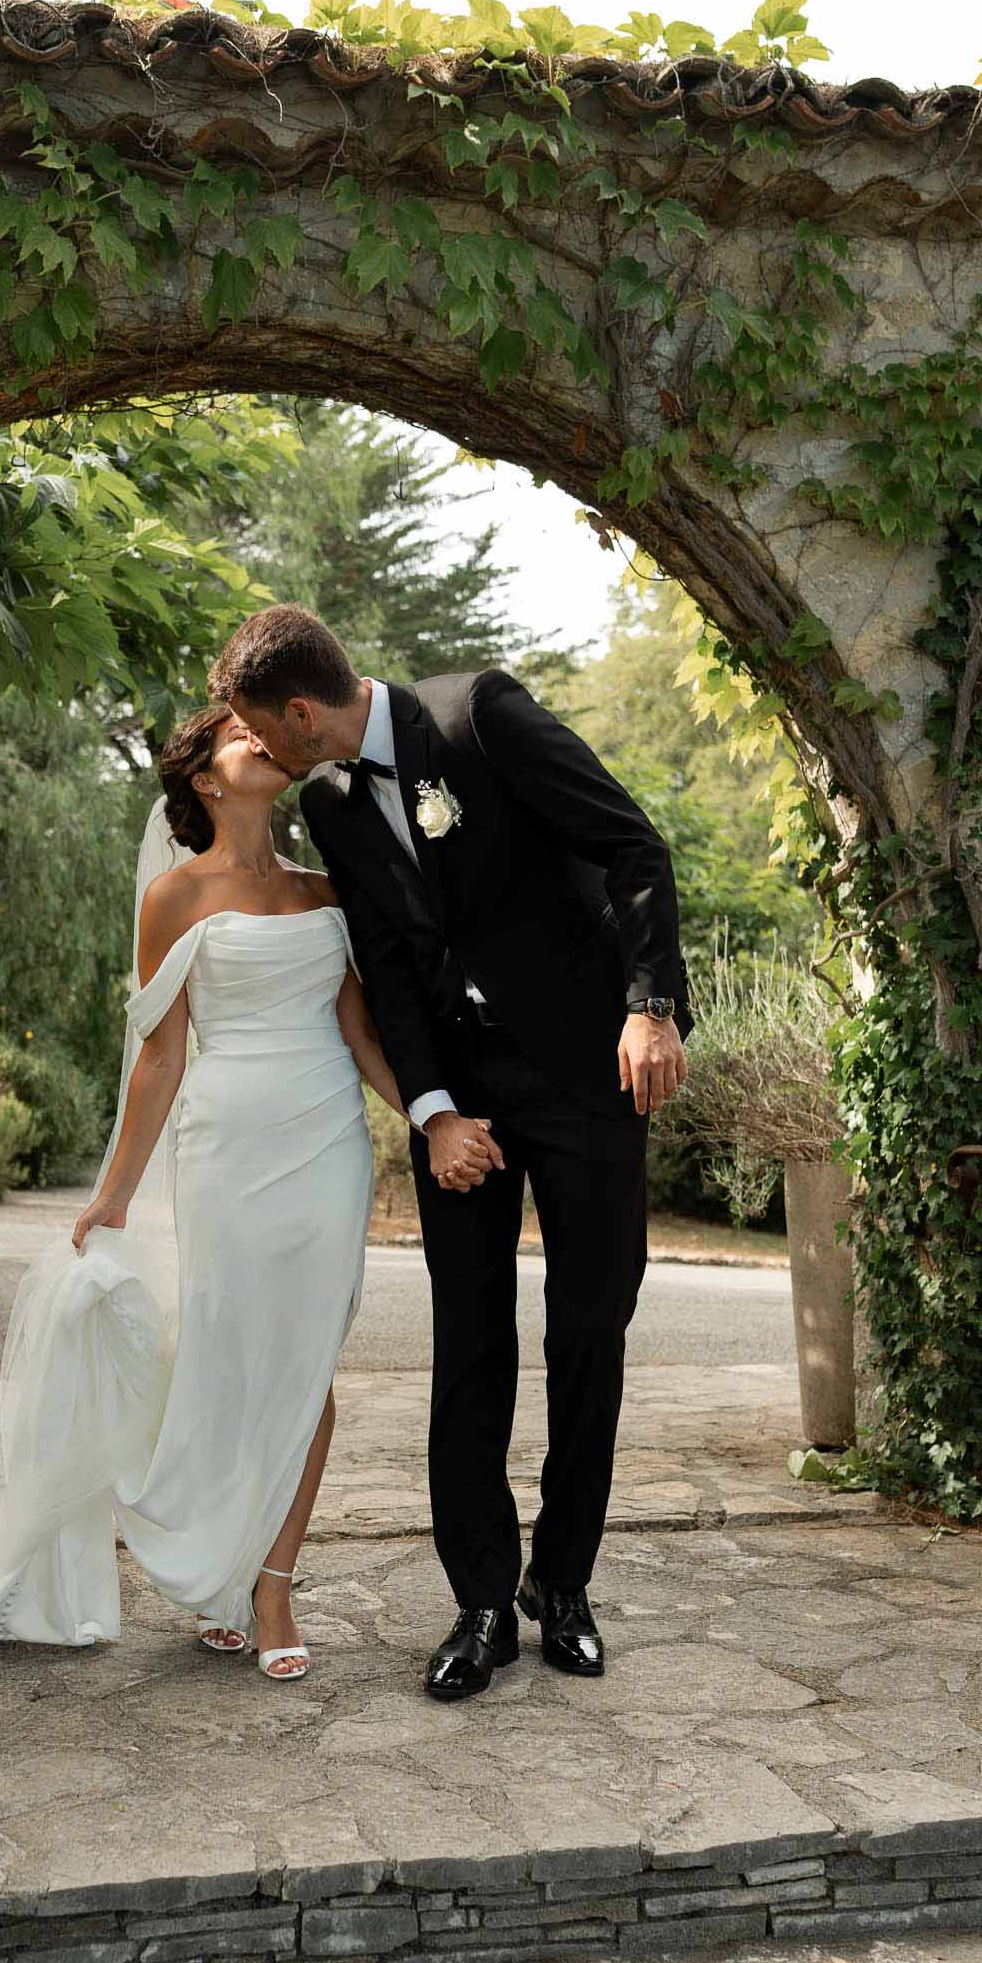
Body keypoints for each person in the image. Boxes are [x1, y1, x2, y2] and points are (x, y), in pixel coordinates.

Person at [0, 705, 493, 1680]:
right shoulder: (173, 898)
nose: (265, 739)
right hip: (226, 1146)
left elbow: (362, 1037)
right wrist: (111, 1195)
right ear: (206, 779)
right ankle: (220, 1565)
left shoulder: (327, 888)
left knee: (306, 1363)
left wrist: (434, 1118)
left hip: (324, 1144)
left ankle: (270, 1582)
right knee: (230, 1360)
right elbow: (159, 1057)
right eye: (241, 735)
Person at [209, 605, 692, 1702]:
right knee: (467, 1341)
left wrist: (648, 1006)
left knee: (586, 1329)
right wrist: (428, 1111)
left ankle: (560, 1585)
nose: (261, 756)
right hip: (462, 1102)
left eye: (257, 731)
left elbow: (631, 844)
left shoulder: (477, 716)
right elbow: (382, 963)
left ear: (298, 711)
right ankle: (479, 1599)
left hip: (587, 1073)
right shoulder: (330, 803)